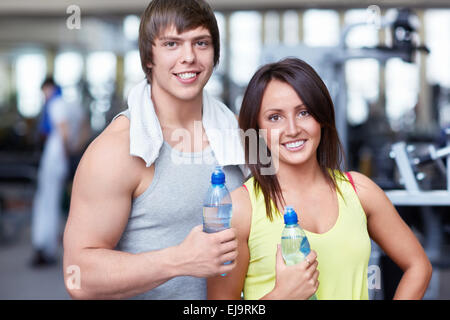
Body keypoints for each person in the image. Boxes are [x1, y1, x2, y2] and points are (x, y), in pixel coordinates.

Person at [207, 58, 432, 300]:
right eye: (275, 117)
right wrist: (282, 295)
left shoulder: (360, 191)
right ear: (257, 128)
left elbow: (418, 266)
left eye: (304, 112)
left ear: (321, 117)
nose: (292, 129)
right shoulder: (239, 209)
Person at [63, 0, 245, 300]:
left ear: (215, 54)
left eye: (201, 43)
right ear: (149, 56)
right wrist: (179, 260)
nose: (189, 57)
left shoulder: (239, 135)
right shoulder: (117, 150)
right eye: (172, 44)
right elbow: (77, 277)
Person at [31, 77, 84, 267]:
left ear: (50, 88)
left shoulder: (56, 104)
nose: (44, 95)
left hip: (56, 159)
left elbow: (64, 131)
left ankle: (45, 246)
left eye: (45, 90)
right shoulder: (68, 104)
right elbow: (81, 126)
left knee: (48, 203)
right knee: (48, 202)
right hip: (57, 158)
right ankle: (45, 245)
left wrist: (66, 154)